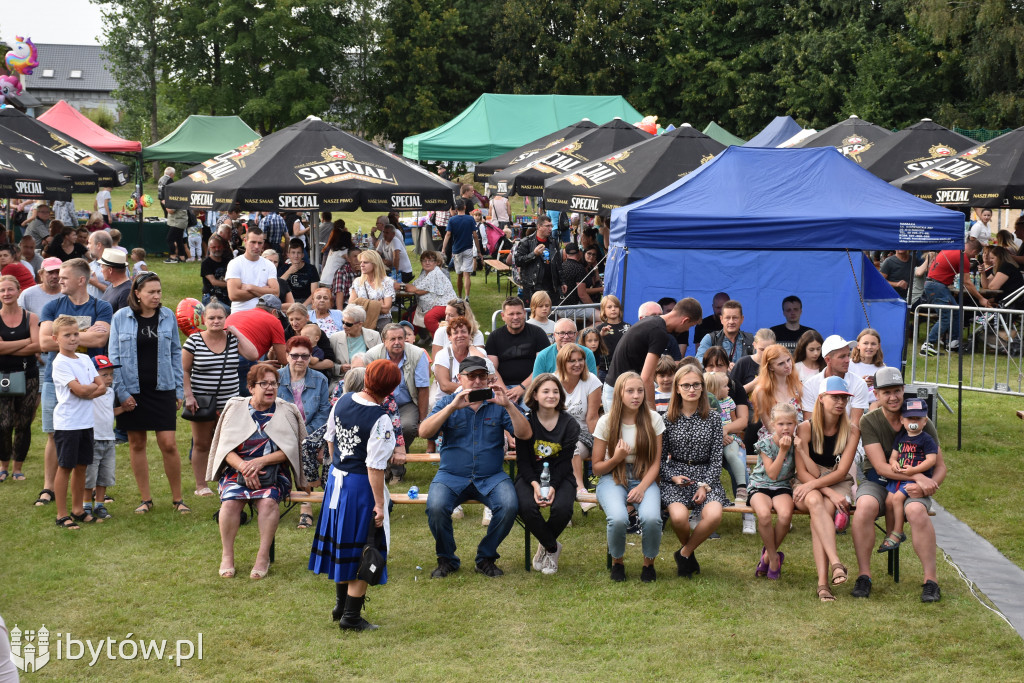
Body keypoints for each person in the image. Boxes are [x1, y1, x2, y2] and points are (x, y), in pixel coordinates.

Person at [307, 359, 400, 630]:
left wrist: (340, 464)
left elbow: (330, 438)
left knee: (342, 544)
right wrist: (380, 505)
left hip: (337, 482)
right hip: (360, 486)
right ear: (391, 388)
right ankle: (351, 617)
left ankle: (341, 606)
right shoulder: (380, 418)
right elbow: (374, 466)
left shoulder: (344, 400)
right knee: (363, 547)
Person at [421, 355, 532, 578]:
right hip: (451, 474)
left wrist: (509, 405)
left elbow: (525, 434)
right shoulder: (446, 403)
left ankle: (486, 557)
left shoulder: (498, 405)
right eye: (471, 376)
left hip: (491, 475)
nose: (477, 381)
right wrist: (452, 407)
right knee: (436, 507)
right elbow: (424, 432)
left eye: (482, 376)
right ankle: (447, 558)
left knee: (509, 505)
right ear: (460, 378)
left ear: (489, 379)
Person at [209, 362, 309, 580]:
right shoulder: (235, 408)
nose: (270, 388)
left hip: (274, 471)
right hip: (238, 470)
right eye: (263, 383)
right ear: (251, 387)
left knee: (268, 501)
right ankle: (227, 555)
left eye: (273, 383)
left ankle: (262, 557)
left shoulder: (286, 410)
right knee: (230, 501)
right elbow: (225, 449)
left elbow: (292, 449)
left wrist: (261, 462)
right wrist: (245, 467)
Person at [853, 367, 945, 602]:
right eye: (886, 392)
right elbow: (882, 467)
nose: (893, 397)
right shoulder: (869, 421)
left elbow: (941, 465)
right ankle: (864, 576)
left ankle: (931, 581)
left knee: (915, 510)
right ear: (876, 393)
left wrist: (930, 484)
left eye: (897, 391)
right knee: (863, 507)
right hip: (878, 480)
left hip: (910, 485)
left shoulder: (919, 416)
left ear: (904, 390)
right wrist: (918, 477)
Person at [108, 272, 189, 515]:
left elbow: (176, 352)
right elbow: (114, 358)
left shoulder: (167, 316)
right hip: (131, 390)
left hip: (162, 388)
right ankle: (146, 499)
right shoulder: (120, 317)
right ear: (137, 294)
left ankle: (178, 499)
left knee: (169, 444)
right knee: (137, 443)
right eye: (151, 292)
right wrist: (121, 393)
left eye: (159, 291)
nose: (156, 296)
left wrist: (178, 387)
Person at [35, 259, 112, 508]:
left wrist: (64, 337)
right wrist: (86, 335)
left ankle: (84, 494)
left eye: (65, 277)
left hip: (91, 379)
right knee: (53, 434)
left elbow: (102, 337)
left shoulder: (102, 307)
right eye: (58, 276)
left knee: (88, 435)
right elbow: (44, 342)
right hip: (54, 380)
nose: (59, 280)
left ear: (81, 280)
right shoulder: (52, 306)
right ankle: (49, 488)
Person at [593, 371, 664, 582]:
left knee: (652, 518)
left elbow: (656, 463)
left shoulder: (653, 419)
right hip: (612, 477)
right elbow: (597, 468)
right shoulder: (606, 422)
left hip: (644, 476)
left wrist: (642, 487)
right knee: (618, 518)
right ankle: (617, 562)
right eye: (630, 391)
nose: (636, 396)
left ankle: (648, 563)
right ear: (619, 394)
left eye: (640, 391)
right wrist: (617, 458)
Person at [794, 376, 859, 601]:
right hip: (808, 479)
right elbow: (802, 472)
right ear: (821, 398)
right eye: (835, 397)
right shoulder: (805, 427)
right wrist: (825, 490)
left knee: (822, 510)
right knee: (814, 502)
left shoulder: (851, 430)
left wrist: (819, 486)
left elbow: (841, 473)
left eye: (844, 398)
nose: (840, 402)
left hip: (835, 479)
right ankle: (835, 563)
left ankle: (823, 584)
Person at [661, 363, 727, 578]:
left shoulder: (714, 419)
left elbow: (717, 458)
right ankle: (689, 555)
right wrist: (672, 476)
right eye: (686, 385)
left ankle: (685, 553)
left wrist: (705, 486)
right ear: (677, 388)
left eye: (696, 385)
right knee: (679, 518)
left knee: (714, 515)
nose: (691, 389)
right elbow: (659, 460)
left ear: (702, 387)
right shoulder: (667, 419)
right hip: (677, 477)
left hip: (706, 476)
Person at [182, 300, 253, 497]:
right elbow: (184, 370)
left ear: (226, 319)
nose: (215, 321)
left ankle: (229, 479)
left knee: (231, 442)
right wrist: (188, 395)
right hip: (201, 401)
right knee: (202, 443)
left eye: (220, 318)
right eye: (211, 318)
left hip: (230, 401)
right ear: (203, 320)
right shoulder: (194, 341)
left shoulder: (232, 340)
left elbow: (253, 353)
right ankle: (201, 485)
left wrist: (237, 333)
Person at [515, 373, 580, 575]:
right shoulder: (525, 422)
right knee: (526, 507)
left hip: (561, 476)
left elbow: (563, 463)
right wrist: (536, 485)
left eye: (555, 391)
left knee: (562, 509)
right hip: (530, 475)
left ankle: (544, 545)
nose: (551, 395)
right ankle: (552, 546)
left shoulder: (570, 425)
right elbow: (523, 462)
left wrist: (551, 487)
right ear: (534, 395)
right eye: (545, 391)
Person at [50, 315, 107, 529]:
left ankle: (78, 509)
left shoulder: (84, 360)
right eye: (67, 335)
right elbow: (83, 390)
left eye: (76, 334)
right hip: (68, 423)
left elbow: (102, 385)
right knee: (65, 466)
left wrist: (88, 390)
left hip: (85, 421)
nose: (73, 339)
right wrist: (90, 390)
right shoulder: (60, 363)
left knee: (82, 466)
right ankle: (61, 514)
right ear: (56, 338)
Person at [602, 298, 702, 412]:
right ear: (685, 320)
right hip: (619, 391)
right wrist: (653, 414)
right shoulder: (659, 332)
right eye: (689, 326)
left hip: (620, 387)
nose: (686, 330)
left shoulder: (653, 322)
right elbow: (647, 378)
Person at [878, 397, 938, 555]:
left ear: (925, 421)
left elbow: (932, 460)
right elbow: (893, 456)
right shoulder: (901, 437)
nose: (914, 422)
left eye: (918, 419)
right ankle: (890, 532)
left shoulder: (926, 439)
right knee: (889, 500)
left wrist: (914, 471)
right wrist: (893, 464)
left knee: (897, 499)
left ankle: (898, 532)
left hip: (915, 478)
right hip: (898, 478)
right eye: (910, 418)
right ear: (902, 420)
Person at [749, 402, 800, 580]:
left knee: (786, 516)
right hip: (760, 485)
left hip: (783, 486)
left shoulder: (798, 443)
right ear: (773, 425)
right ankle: (773, 560)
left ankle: (767, 557)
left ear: (796, 424)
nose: (785, 428)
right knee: (763, 514)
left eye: (789, 424)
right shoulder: (765, 444)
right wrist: (783, 451)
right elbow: (771, 474)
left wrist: (798, 448)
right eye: (780, 424)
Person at [919, 239, 989, 356]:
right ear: (974, 251)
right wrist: (980, 298)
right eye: (975, 254)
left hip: (934, 284)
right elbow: (966, 282)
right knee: (945, 317)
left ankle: (953, 343)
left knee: (956, 312)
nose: (974, 257)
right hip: (937, 286)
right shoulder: (963, 258)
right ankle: (927, 345)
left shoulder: (950, 249)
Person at [0, 275, 39, 483]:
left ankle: (18, 468)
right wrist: (25, 342)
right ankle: (3, 465)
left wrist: (7, 347)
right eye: (2, 290)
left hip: (28, 376)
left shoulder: (30, 317)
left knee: (23, 423)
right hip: (2, 377)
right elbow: (31, 344)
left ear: (18, 291)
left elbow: (38, 346)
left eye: (10, 290)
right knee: (3, 424)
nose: (6, 294)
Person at [365, 323, 429, 450]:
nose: (397, 342)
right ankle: (386, 460)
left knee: (408, 427)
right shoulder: (372, 356)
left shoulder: (418, 355)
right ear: (384, 341)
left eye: (400, 338)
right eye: (392, 339)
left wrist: (422, 421)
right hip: (380, 403)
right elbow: (368, 388)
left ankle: (397, 462)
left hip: (407, 403)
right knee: (377, 428)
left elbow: (423, 389)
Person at [553, 343, 601, 510]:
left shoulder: (592, 381)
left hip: (583, 434)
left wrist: (600, 444)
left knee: (569, 448)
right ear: (562, 363)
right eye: (571, 361)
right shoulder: (553, 382)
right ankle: (577, 492)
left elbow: (592, 417)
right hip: (556, 434)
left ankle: (577, 491)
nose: (577, 364)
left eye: (580, 360)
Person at [486, 296, 550, 406]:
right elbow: (492, 369)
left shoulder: (538, 333)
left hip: (533, 386)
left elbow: (542, 367)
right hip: (503, 387)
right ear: (503, 316)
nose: (515, 317)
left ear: (524, 313)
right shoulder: (494, 337)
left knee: (528, 413)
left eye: (519, 313)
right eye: (511, 314)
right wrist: (504, 392)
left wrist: (522, 388)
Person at [83, 355, 123, 522]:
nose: (109, 378)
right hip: (94, 438)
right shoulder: (89, 391)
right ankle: (86, 505)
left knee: (105, 474)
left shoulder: (111, 392)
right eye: (104, 375)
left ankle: (99, 503)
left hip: (109, 439)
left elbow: (109, 413)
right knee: (89, 475)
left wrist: (123, 409)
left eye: (111, 374)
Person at [801, 335, 871, 425]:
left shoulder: (859, 384)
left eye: (848, 355)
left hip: (848, 437)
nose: (847, 360)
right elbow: (809, 425)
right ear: (828, 360)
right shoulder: (810, 385)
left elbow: (855, 426)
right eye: (842, 357)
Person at [225, 294, 288, 395]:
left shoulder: (236, 314)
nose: (279, 318)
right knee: (246, 402)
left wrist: (259, 364)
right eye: (279, 315)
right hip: (243, 360)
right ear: (274, 312)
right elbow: (283, 360)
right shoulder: (274, 321)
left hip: (220, 358)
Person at [432, 316, 493, 402]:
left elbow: (490, 374)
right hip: (448, 401)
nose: (460, 335)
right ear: (449, 337)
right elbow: (445, 386)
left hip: (477, 400)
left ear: (470, 335)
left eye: (463, 332)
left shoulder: (479, 352)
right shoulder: (442, 355)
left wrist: (471, 347)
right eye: (455, 333)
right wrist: (474, 391)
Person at [396, 250, 456, 336]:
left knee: (429, 318)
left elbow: (417, 290)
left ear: (435, 263)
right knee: (408, 315)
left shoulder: (435, 273)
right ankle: (408, 339)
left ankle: (442, 339)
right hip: (432, 304)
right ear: (421, 263)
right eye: (424, 260)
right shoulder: (425, 273)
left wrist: (399, 286)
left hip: (445, 304)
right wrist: (405, 286)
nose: (427, 263)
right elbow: (413, 286)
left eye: (430, 260)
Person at [226, 228, 279, 313]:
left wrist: (250, 287)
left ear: (263, 244)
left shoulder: (269, 265)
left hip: (263, 315)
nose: (256, 246)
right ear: (245, 241)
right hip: (240, 314)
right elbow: (233, 295)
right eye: (253, 242)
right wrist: (262, 291)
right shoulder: (235, 263)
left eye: (260, 243)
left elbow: (275, 293)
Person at [440, 199, 483, 299]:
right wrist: (479, 250)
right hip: (468, 249)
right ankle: (467, 297)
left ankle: (459, 296)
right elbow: (475, 235)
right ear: (464, 207)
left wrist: (443, 248)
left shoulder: (452, 220)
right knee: (466, 274)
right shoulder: (470, 219)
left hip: (456, 250)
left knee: (459, 274)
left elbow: (448, 234)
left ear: (455, 208)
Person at [514, 215, 559, 303]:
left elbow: (558, 263)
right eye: (547, 226)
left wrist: (562, 282)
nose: (550, 229)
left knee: (550, 313)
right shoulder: (526, 241)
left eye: (551, 226)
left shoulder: (553, 242)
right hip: (533, 286)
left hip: (551, 285)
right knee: (533, 313)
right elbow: (518, 261)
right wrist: (534, 254)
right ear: (539, 227)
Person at [329, 305, 382, 379]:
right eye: (343, 322)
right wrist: (340, 368)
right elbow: (329, 365)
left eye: (348, 324)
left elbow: (380, 362)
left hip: (369, 378)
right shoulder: (335, 338)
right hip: (343, 379)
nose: (344, 326)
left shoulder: (374, 336)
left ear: (360, 324)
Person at [695, 300, 755, 364]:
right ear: (721, 319)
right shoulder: (710, 338)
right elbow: (699, 360)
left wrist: (740, 368)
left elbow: (760, 362)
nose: (731, 322)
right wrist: (721, 365)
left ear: (742, 319)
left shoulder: (751, 340)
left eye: (735, 318)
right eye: (727, 318)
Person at [350, 249, 395, 333]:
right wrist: (377, 304)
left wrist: (361, 302)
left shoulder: (387, 282)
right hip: (362, 321)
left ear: (375, 264)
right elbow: (351, 305)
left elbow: (386, 309)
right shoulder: (357, 282)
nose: (362, 265)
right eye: (361, 262)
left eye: (365, 262)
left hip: (381, 322)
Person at [730, 328, 776, 396]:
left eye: (769, 350)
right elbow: (731, 393)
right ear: (754, 345)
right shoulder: (743, 363)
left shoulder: (778, 364)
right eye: (762, 349)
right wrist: (754, 383)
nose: (765, 353)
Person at [373, 218, 414, 283]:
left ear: (393, 234)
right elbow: (375, 255)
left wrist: (394, 274)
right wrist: (384, 261)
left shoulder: (395, 241)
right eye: (384, 232)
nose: (385, 235)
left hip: (404, 272)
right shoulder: (383, 241)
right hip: (393, 270)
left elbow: (396, 257)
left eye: (387, 233)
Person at [279, 239, 320, 304]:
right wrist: (289, 271)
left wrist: (303, 306)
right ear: (288, 255)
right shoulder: (284, 268)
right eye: (293, 253)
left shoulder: (311, 269)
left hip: (306, 301)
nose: (296, 256)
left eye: (298, 253)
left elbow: (314, 292)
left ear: (302, 255)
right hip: (288, 301)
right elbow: (278, 286)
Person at [848, 328, 885, 401]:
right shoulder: (848, 366)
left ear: (878, 346)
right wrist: (860, 385)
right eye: (865, 343)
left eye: (873, 344)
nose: (869, 347)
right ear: (858, 345)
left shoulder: (883, 369)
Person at [594, 294, 630, 359]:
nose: (613, 309)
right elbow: (593, 347)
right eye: (609, 307)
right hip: (605, 367)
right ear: (603, 310)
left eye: (616, 306)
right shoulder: (599, 329)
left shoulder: (628, 327)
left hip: (625, 365)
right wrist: (600, 335)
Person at [98, 248, 131, 312]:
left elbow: (123, 320)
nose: (101, 271)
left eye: (102, 267)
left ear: (110, 270)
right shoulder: (112, 285)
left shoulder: (126, 292)